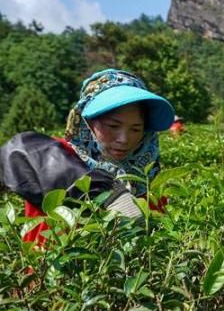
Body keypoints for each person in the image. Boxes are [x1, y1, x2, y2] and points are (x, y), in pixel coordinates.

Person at [0, 68, 175, 245]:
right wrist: (106, 193)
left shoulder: (147, 179)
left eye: (135, 129)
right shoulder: (62, 153)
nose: (124, 139)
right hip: (49, 269)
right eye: (113, 126)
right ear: (87, 123)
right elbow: (18, 150)